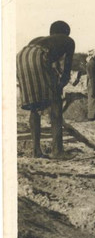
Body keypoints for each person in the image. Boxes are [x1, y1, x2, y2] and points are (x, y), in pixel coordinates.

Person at [16, 20, 75, 159]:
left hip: (21, 56)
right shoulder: (68, 40)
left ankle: (36, 151)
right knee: (56, 105)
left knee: (34, 107)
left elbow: (49, 64)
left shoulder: (40, 39)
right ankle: (57, 151)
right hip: (39, 57)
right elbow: (66, 70)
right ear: (66, 32)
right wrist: (59, 87)